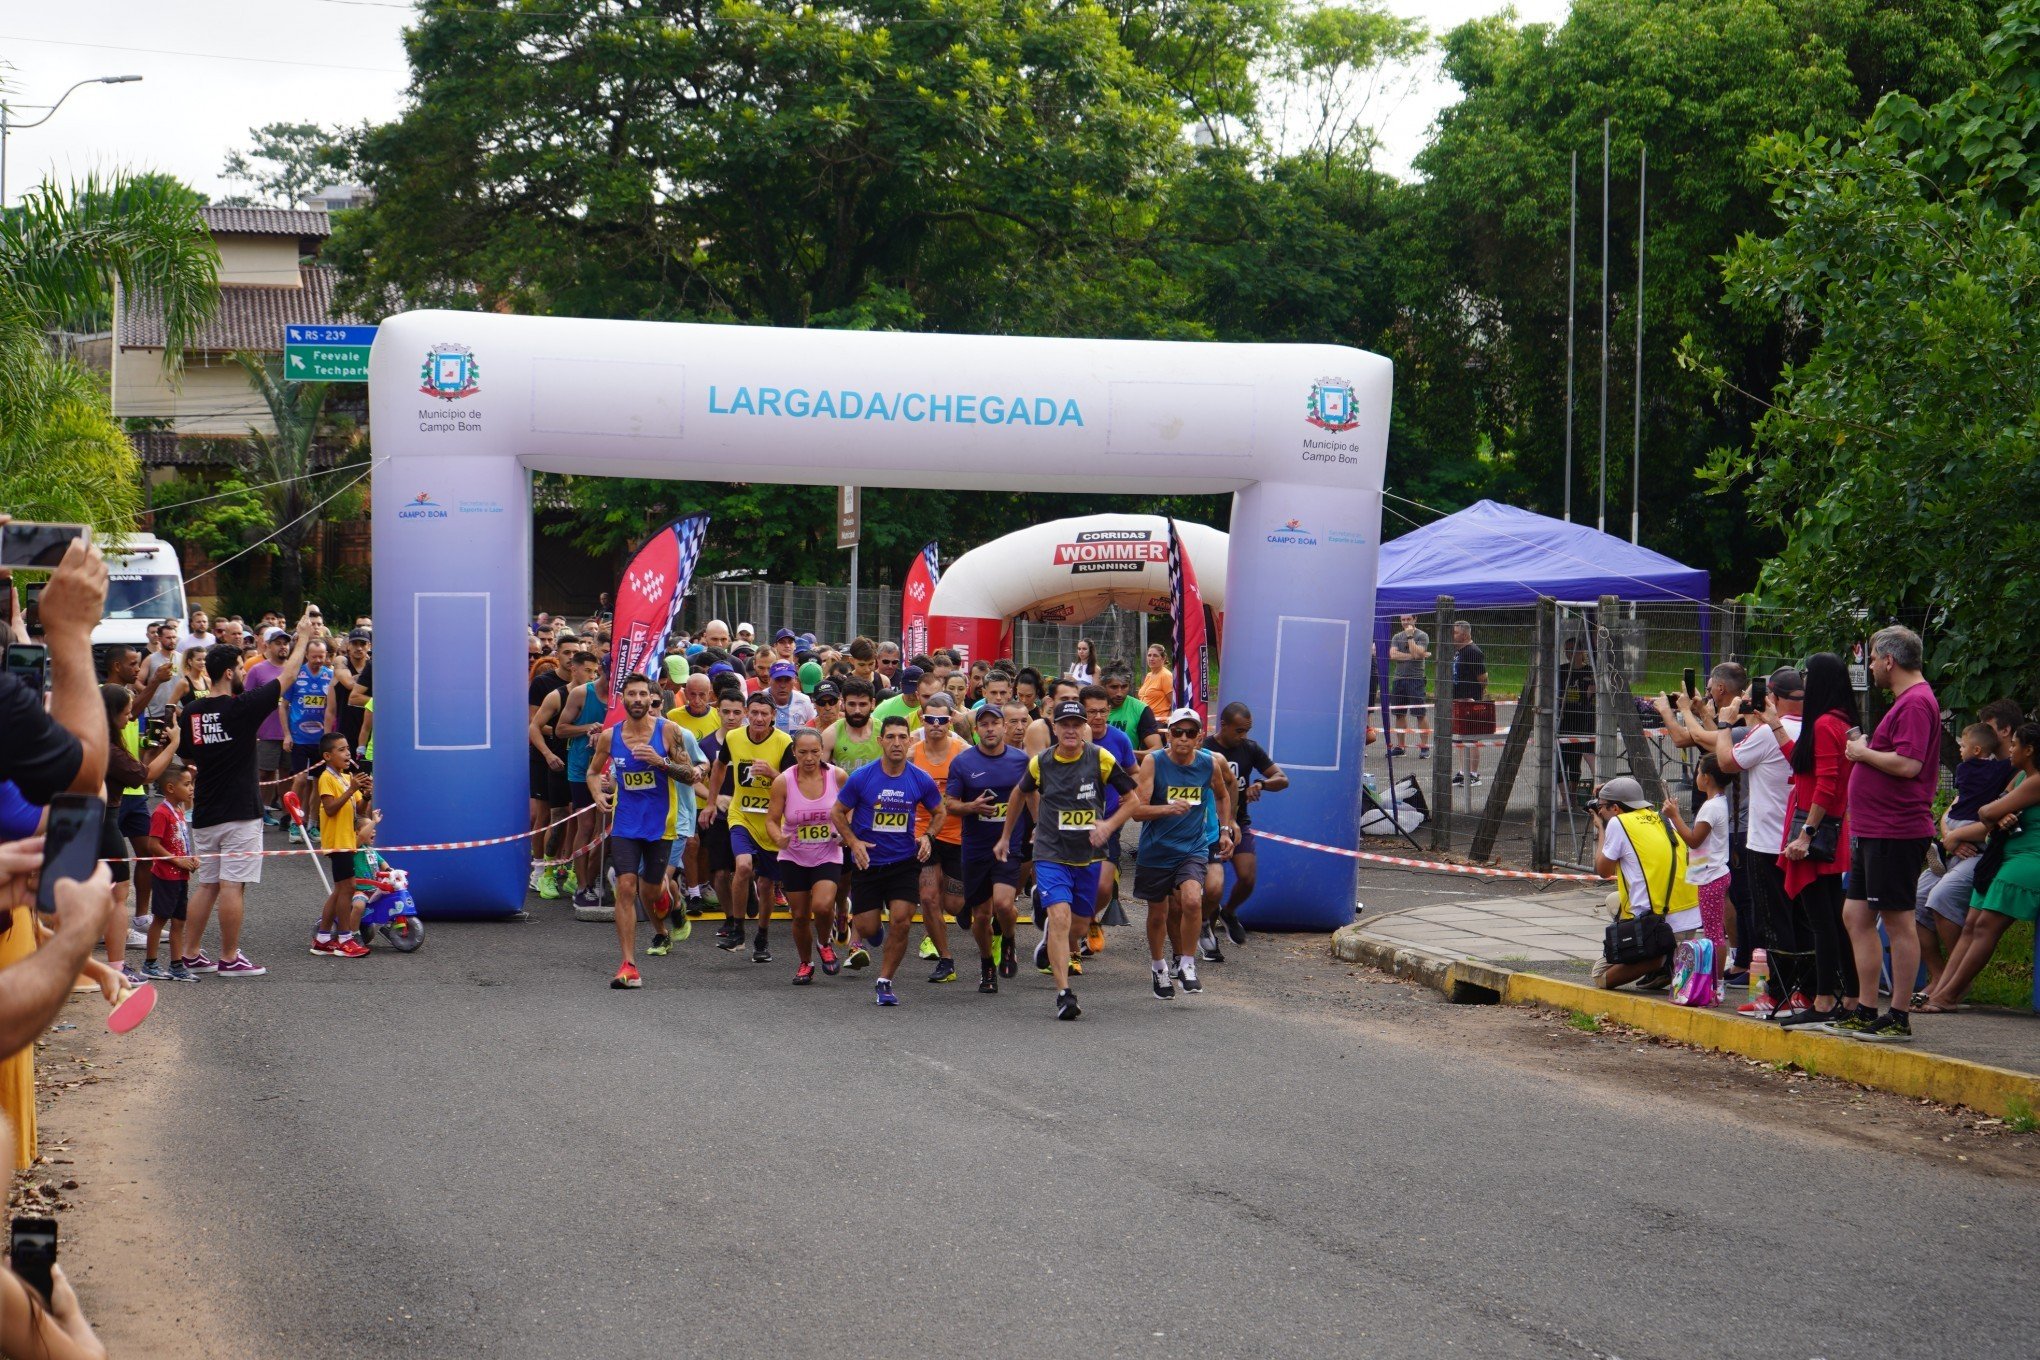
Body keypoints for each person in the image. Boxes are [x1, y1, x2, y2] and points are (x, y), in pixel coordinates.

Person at [177, 610, 318, 978]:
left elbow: (189, 755)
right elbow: (288, 676)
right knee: (231, 886)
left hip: (205, 810)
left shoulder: (192, 711)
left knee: (207, 884)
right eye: (240, 667)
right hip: (239, 811)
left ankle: (190, 954)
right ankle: (229, 956)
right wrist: (302, 636)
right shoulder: (242, 707)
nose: (244, 673)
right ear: (229, 672)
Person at [1830, 626, 1939, 1041]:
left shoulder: (1914, 702)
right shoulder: (1906, 701)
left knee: (1897, 920)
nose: (1871, 665)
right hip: (1874, 828)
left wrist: (1861, 752)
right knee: (1856, 915)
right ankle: (1865, 1005)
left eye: (1874, 658)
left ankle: (1898, 1015)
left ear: (1890, 660)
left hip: (1896, 829)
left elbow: (1909, 765)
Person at [998, 699, 1138, 1020]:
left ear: (1084, 727)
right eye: (1065, 725)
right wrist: (1008, 835)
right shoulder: (1041, 762)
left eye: (1077, 724)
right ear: (1055, 728)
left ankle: (1049, 923)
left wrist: (1109, 824)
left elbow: (1133, 799)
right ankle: (1064, 994)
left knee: (1075, 926)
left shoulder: (1101, 759)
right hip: (1051, 852)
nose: (1071, 730)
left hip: (1088, 855)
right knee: (1061, 919)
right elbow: (1020, 792)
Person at [1705, 667, 1806, 1018]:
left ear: (1772, 699)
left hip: (1766, 840)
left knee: (1772, 920)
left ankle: (1777, 991)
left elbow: (1726, 762)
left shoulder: (1765, 734)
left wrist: (1724, 723)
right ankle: (1803, 990)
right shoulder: (1811, 728)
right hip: (1799, 835)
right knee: (1801, 918)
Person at [1919, 721, 2040, 1013]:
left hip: (2029, 858)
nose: (2009, 749)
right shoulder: (2022, 776)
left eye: (2015, 745)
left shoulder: (2036, 780)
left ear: (2030, 749)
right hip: (2004, 855)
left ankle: (1948, 996)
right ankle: (1944, 991)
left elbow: (1987, 810)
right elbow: (1995, 809)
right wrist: (1999, 814)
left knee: (1985, 925)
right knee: (1971, 922)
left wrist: (1997, 813)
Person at [830, 715, 946, 1006]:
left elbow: (940, 812)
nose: (896, 743)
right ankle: (872, 929)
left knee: (902, 922)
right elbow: (836, 812)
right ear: (880, 741)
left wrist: (929, 837)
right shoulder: (862, 777)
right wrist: (853, 842)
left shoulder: (920, 779)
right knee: (869, 929)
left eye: (901, 737)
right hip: (868, 863)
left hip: (904, 862)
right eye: (890, 737)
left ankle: (884, 981)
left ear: (909, 741)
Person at [587, 674, 693, 988]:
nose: (636, 699)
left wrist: (661, 763)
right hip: (625, 824)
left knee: (651, 891)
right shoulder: (610, 736)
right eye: (631, 694)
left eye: (642, 694)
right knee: (626, 887)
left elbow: (689, 775)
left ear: (650, 699)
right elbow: (593, 772)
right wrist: (597, 793)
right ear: (623, 699)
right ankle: (628, 965)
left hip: (661, 825)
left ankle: (671, 903)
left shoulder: (669, 731)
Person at [1777, 652, 1859, 1027]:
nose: (1804, 684)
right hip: (1828, 830)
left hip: (1816, 831)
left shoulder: (1826, 723)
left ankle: (1825, 1000)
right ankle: (1852, 999)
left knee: (1822, 922)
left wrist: (1805, 834)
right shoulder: (1840, 721)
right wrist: (1774, 727)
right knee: (1833, 920)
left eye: (1808, 676)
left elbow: (1826, 783)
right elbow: (1808, 766)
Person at [1132, 708, 1231, 999]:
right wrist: (1168, 808)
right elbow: (1137, 811)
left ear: (1199, 737)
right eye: (1177, 732)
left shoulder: (1208, 764)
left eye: (1190, 733)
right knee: (1158, 914)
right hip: (1157, 850)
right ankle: (1159, 966)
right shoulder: (1154, 762)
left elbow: (1223, 794)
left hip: (1193, 847)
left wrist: (1225, 829)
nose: (1183, 739)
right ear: (1169, 734)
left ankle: (1187, 963)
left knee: (1191, 900)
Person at [1914, 723, 2014, 995]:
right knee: (1914, 903)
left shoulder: (2016, 774)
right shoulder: (1997, 771)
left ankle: (1957, 980)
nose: (1959, 749)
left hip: (1979, 847)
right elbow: (1953, 809)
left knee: (1940, 898)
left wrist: (1954, 836)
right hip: (1961, 835)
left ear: (2006, 731)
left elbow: (1990, 820)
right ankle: (1942, 977)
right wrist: (1951, 838)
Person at [946, 700, 1031, 993]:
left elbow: (1031, 796)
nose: (990, 728)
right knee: (981, 915)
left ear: (1004, 727)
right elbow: (951, 805)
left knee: (1005, 904)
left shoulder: (1021, 760)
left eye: (995, 723)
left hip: (1009, 844)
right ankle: (986, 965)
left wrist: (1041, 827)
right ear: (977, 729)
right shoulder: (963, 762)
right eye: (984, 724)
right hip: (975, 847)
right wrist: (972, 806)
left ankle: (1008, 939)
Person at [707, 690, 793, 962]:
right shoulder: (733, 737)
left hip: (770, 821)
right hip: (741, 814)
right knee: (742, 866)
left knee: (767, 884)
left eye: (763, 714)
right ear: (746, 713)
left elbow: (793, 784)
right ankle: (737, 928)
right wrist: (710, 802)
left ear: (773, 717)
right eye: (753, 712)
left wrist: (772, 774)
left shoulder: (784, 742)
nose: (757, 718)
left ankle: (762, 935)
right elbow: (719, 768)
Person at [1590, 775, 1695, 989]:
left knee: (1600, 976)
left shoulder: (1618, 824)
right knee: (1613, 901)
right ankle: (1662, 958)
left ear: (1616, 809)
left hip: (1659, 921)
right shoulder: (1663, 819)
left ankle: (1662, 959)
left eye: (1602, 807)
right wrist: (1604, 799)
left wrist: (1601, 827)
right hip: (1689, 914)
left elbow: (1603, 870)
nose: (1599, 811)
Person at [1201, 702, 1287, 959]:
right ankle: (1205, 925)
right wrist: (1223, 823)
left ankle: (1229, 912)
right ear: (1223, 725)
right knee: (1213, 885)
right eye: (1239, 731)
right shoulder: (1206, 750)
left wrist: (1261, 784)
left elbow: (1282, 779)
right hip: (1208, 824)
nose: (1243, 736)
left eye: (1247, 731)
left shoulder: (1249, 749)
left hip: (1239, 821)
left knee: (1247, 877)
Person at [765, 728, 844, 984]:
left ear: (822, 750)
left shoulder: (837, 776)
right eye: (803, 752)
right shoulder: (783, 781)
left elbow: (852, 809)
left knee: (822, 906)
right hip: (793, 855)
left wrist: (845, 832)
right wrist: (779, 838)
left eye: (814, 751)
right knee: (799, 915)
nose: (809, 758)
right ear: (794, 752)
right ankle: (805, 962)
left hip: (827, 852)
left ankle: (824, 943)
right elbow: (772, 821)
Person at [906, 693, 964, 982]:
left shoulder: (963, 751)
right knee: (928, 898)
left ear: (951, 720)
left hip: (956, 834)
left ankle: (961, 912)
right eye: (931, 719)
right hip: (922, 834)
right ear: (922, 718)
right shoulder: (911, 753)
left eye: (942, 720)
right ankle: (946, 959)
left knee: (954, 905)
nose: (936, 725)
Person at [1661, 755, 1733, 987]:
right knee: (1714, 932)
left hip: (1712, 876)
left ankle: (1716, 983)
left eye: (1698, 772)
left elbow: (1693, 840)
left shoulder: (1710, 807)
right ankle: (1713, 980)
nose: (1695, 777)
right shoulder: (1717, 802)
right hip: (1714, 872)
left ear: (1707, 778)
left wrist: (1674, 816)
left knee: (1713, 934)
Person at [554, 653, 613, 913]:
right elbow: (560, 729)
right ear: (603, 670)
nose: (614, 682)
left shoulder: (623, 697)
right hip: (581, 768)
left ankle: (593, 878)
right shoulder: (581, 693)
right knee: (586, 825)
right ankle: (581, 885)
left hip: (609, 768)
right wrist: (588, 727)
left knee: (605, 827)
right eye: (611, 676)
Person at [310, 733, 374, 958]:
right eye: (341, 749)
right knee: (347, 887)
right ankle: (346, 937)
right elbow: (329, 808)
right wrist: (351, 789)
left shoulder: (347, 777)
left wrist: (365, 794)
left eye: (348, 748)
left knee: (340, 890)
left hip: (347, 839)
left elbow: (360, 813)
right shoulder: (326, 778)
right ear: (328, 756)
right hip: (337, 841)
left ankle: (323, 938)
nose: (347, 753)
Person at [136, 763, 200, 981]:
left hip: (180, 875)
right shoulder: (162, 813)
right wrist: (177, 861)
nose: (191, 788)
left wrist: (190, 858)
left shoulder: (179, 812)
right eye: (187, 784)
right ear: (171, 788)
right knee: (160, 919)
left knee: (180, 921)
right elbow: (153, 845)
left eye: (192, 784)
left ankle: (176, 964)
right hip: (165, 875)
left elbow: (180, 840)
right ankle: (150, 964)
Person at [280, 636, 335, 843]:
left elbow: (331, 710)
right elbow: (283, 706)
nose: (319, 660)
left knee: (321, 783)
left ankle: (313, 824)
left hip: (320, 740)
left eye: (322, 656)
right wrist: (286, 734)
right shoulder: (296, 676)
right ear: (306, 655)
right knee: (300, 780)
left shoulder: (329, 676)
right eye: (315, 657)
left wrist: (328, 739)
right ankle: (296, 823)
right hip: (299, 739)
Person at [245, 629, 293, 826]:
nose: (283, 646)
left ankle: (287, 814)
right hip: (265, 731)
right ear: (268, 646)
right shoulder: (257, 670)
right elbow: (247, 701)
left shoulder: (293, 669)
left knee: (288, 774)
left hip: (291, 731)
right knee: (264, 773)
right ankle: (260, 810)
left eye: (285, 643)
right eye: (278, 643)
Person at [1450, 620, 1488, 786]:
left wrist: (1475, 697)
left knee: (1471, 738)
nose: (1452, 636)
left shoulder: (1473, 651)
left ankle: (1473, 774)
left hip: (1469, 700)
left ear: (1465, 635)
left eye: (1455, 633)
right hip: (1458, 699)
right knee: (1460, 737)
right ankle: (1462, 771)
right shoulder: (1458, 651)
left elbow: (1483, 677)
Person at [1387, 614, 1429, 757]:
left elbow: (1418, 653)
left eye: (1408, 619)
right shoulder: (1396, 637)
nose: (1405, 622)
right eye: (1403, 620)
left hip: (1416, 679)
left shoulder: (1422, 635)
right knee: (1399, 714)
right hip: (1399, 679)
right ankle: (1400, 747)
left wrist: (1410, 637)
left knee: (1420, 714)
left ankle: (1424, 747)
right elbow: (1392, 655)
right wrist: (1412, 655)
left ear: (1415, 619)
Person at [1101, 663, 1161, 751]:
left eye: (1124, 687)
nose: (1119, 693)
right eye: (1114, 687)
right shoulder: (1091, 707)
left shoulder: (1140, 709)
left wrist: (1126, 754)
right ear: (1103, 686)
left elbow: (1157, 749)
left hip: (1128, 764)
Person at [766, 660, 816, 732]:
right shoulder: (759, 700)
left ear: (795, 679)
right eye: (778, 680)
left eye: (787, 680)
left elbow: (813, 731)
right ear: (769, 680)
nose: (782, 685)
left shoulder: (804, 701)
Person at [1138, 643, 1174, 721]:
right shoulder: (1148, 675)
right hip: (1144, 719)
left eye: (1155, 655)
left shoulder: (1166, 676)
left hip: (1158, 722)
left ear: (1163, 658)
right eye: (1149, 655)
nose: (1151, 658)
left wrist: (1169, 722)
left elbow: (1175, 703)